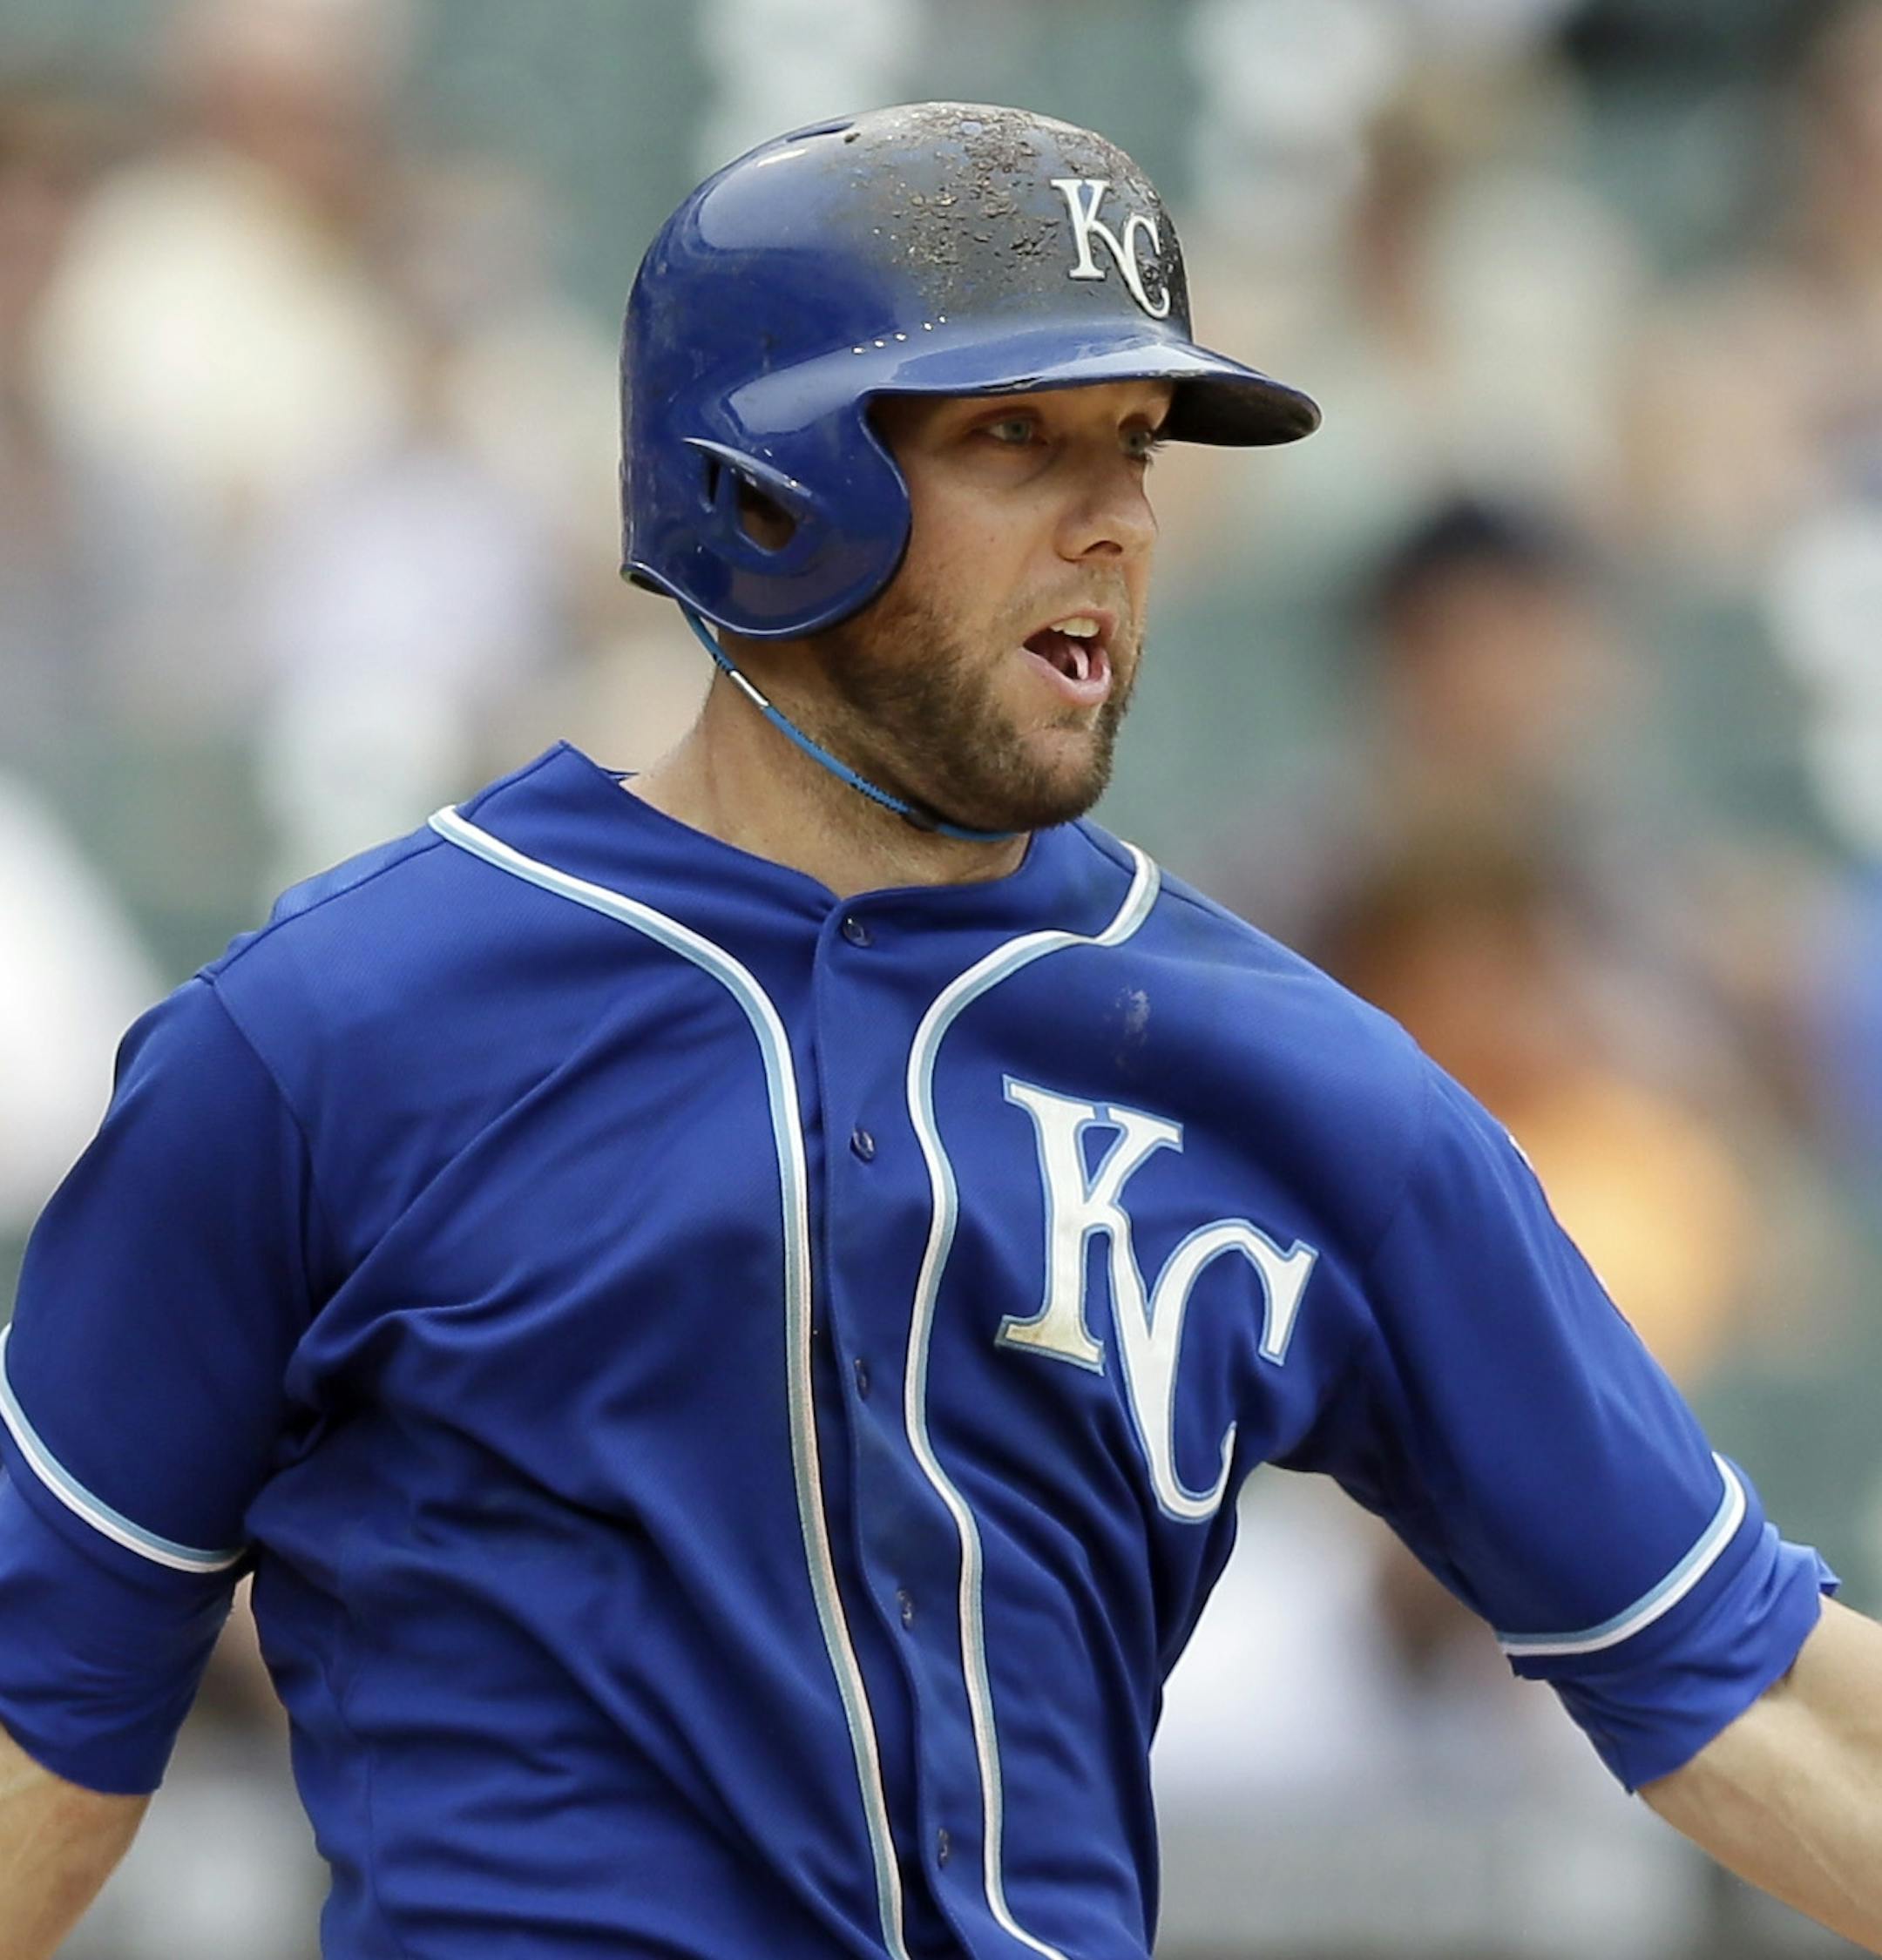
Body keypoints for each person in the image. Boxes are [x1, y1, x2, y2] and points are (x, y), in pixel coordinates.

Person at [0, 101, 1878, 1960]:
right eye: (1015, 439)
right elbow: (42, 1726)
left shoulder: (1303, 1091)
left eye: (1135, 448)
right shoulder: (327, 1043)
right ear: (764, 488)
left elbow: (1754, 1685)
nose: (1115, 523)